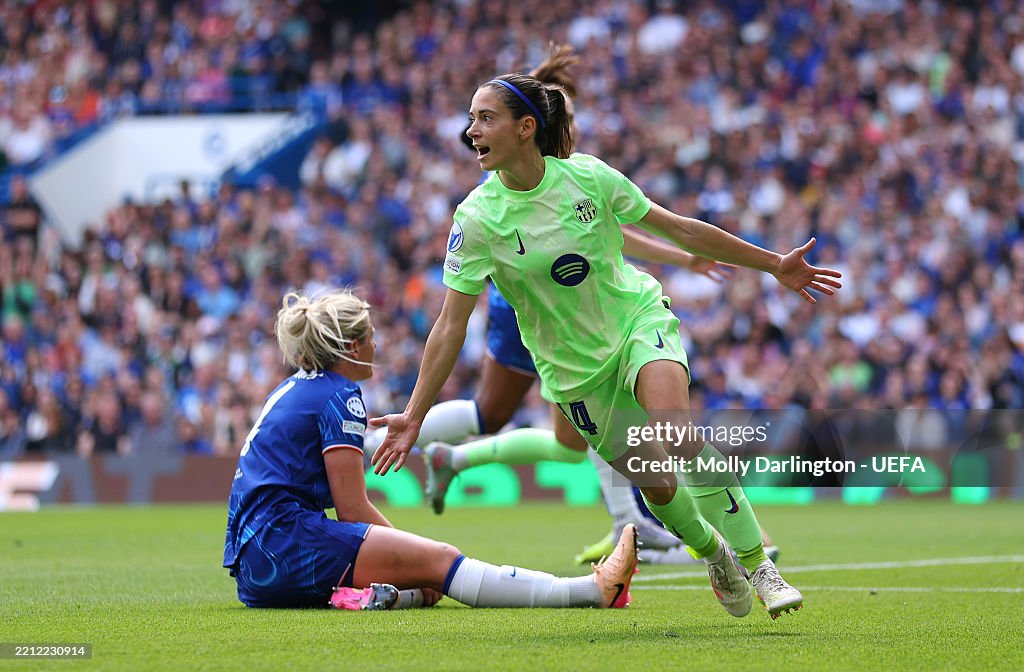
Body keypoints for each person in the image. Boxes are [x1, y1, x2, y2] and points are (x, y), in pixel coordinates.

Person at [370, 73, 842, 619]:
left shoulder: (589, 177)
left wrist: (772, 263)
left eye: (484, 118)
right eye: (471, 118)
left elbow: (680, 230)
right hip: (574, 374)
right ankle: (715, 555)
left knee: (677, 436)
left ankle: (760, 565)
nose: (469, 130)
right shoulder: (476, 219)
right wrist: (413, 413)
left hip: (637, 323)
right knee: (659, 486)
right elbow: (451, 326)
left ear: (526, 128)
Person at [361, 44, 734, 559]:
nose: (571, 128)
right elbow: (585, 235)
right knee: (518, 414)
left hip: (564, 299)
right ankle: (635, 521)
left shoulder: (565, 172)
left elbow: (606, 229)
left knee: (567, 439)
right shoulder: (503, 190)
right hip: (533, 308)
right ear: (531, 124)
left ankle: (626, 519)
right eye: (566, 117)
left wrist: (681, 256)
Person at [223, 290, 639, 611]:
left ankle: (379, 597)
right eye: (370, 336)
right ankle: (592, 591)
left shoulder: (291, 388)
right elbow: (351, 510)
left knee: (421, 578)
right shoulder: (342, 395)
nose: (376, 344)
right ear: (351, 348)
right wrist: (416, 552)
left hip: (253, 566)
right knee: (441, 561)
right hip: (284, 542)